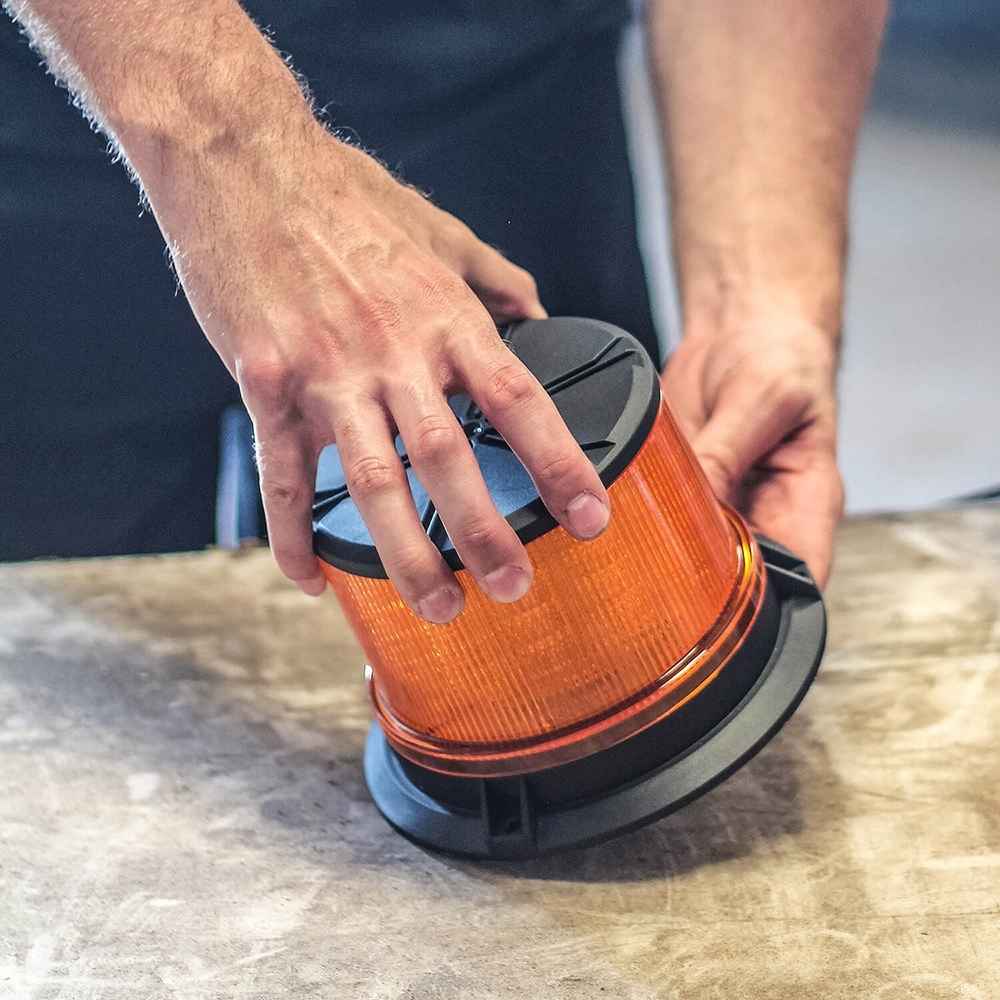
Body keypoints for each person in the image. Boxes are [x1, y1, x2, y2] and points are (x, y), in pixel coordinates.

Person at [2, 1, 886, 622]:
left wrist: (757, 303)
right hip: (58, 123)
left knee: (587, 642)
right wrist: (239, 155)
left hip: (507, 106)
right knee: (68, 707)